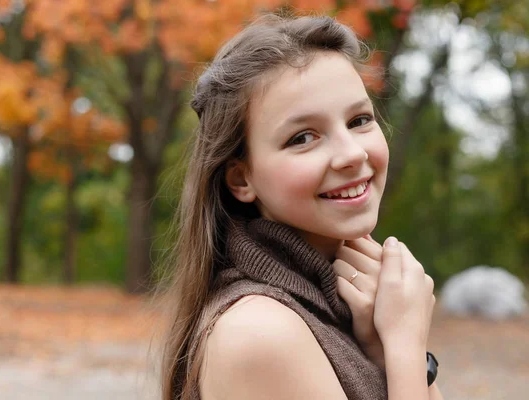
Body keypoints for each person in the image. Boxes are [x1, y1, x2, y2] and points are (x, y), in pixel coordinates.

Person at [160, 13, 443, 400]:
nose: (351, 154)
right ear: (242, 179)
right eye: (303, 137)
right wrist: (406, 346)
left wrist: (385, 348)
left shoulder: (349, 304)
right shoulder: (260, 332)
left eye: (359, 119)